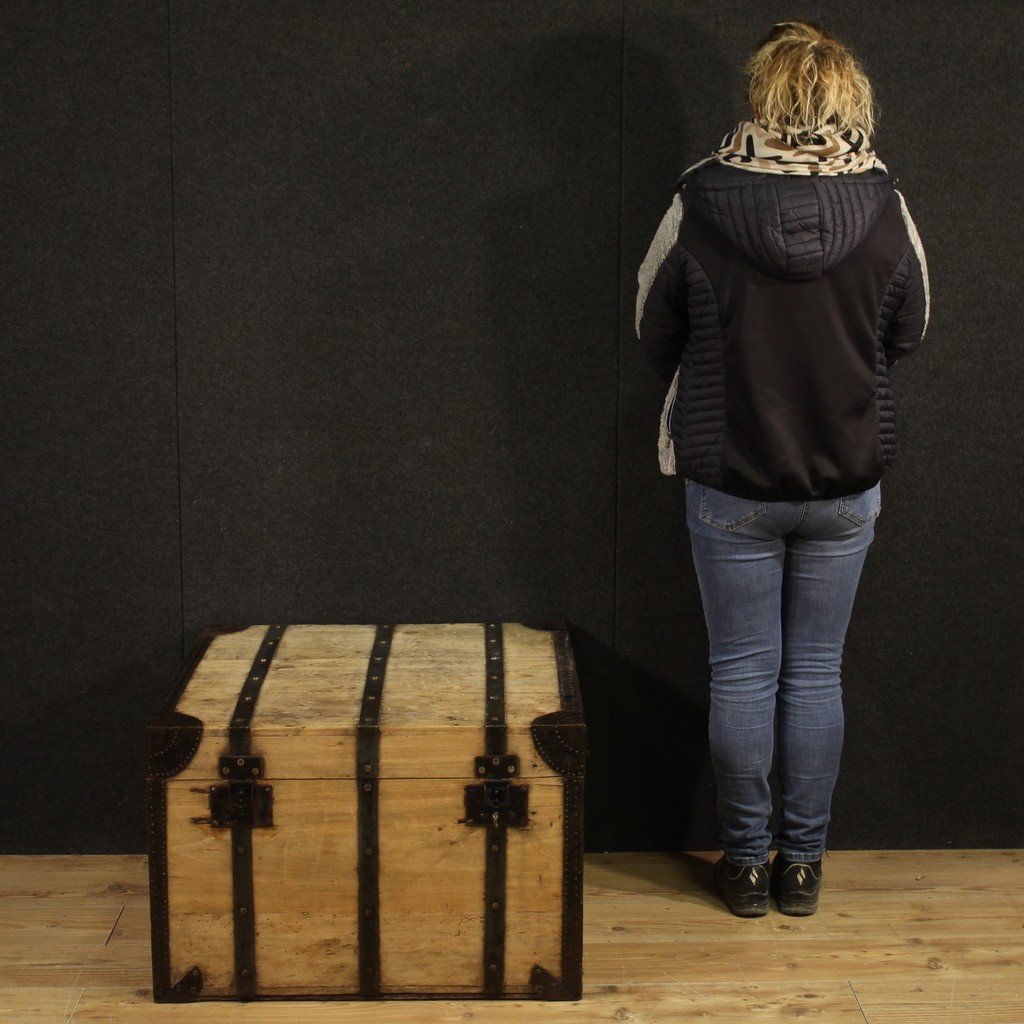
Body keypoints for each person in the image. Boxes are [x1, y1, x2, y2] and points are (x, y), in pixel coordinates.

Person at [634, 19, 929, 918]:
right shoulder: (885, 205)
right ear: (847, 98)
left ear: (760, 99)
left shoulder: (699, 200)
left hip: (732, 480)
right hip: (844, 481)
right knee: (813, 675)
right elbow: (910, 329)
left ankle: (748, 867)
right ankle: (803, 866)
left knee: (743, 674)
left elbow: (654, 327)